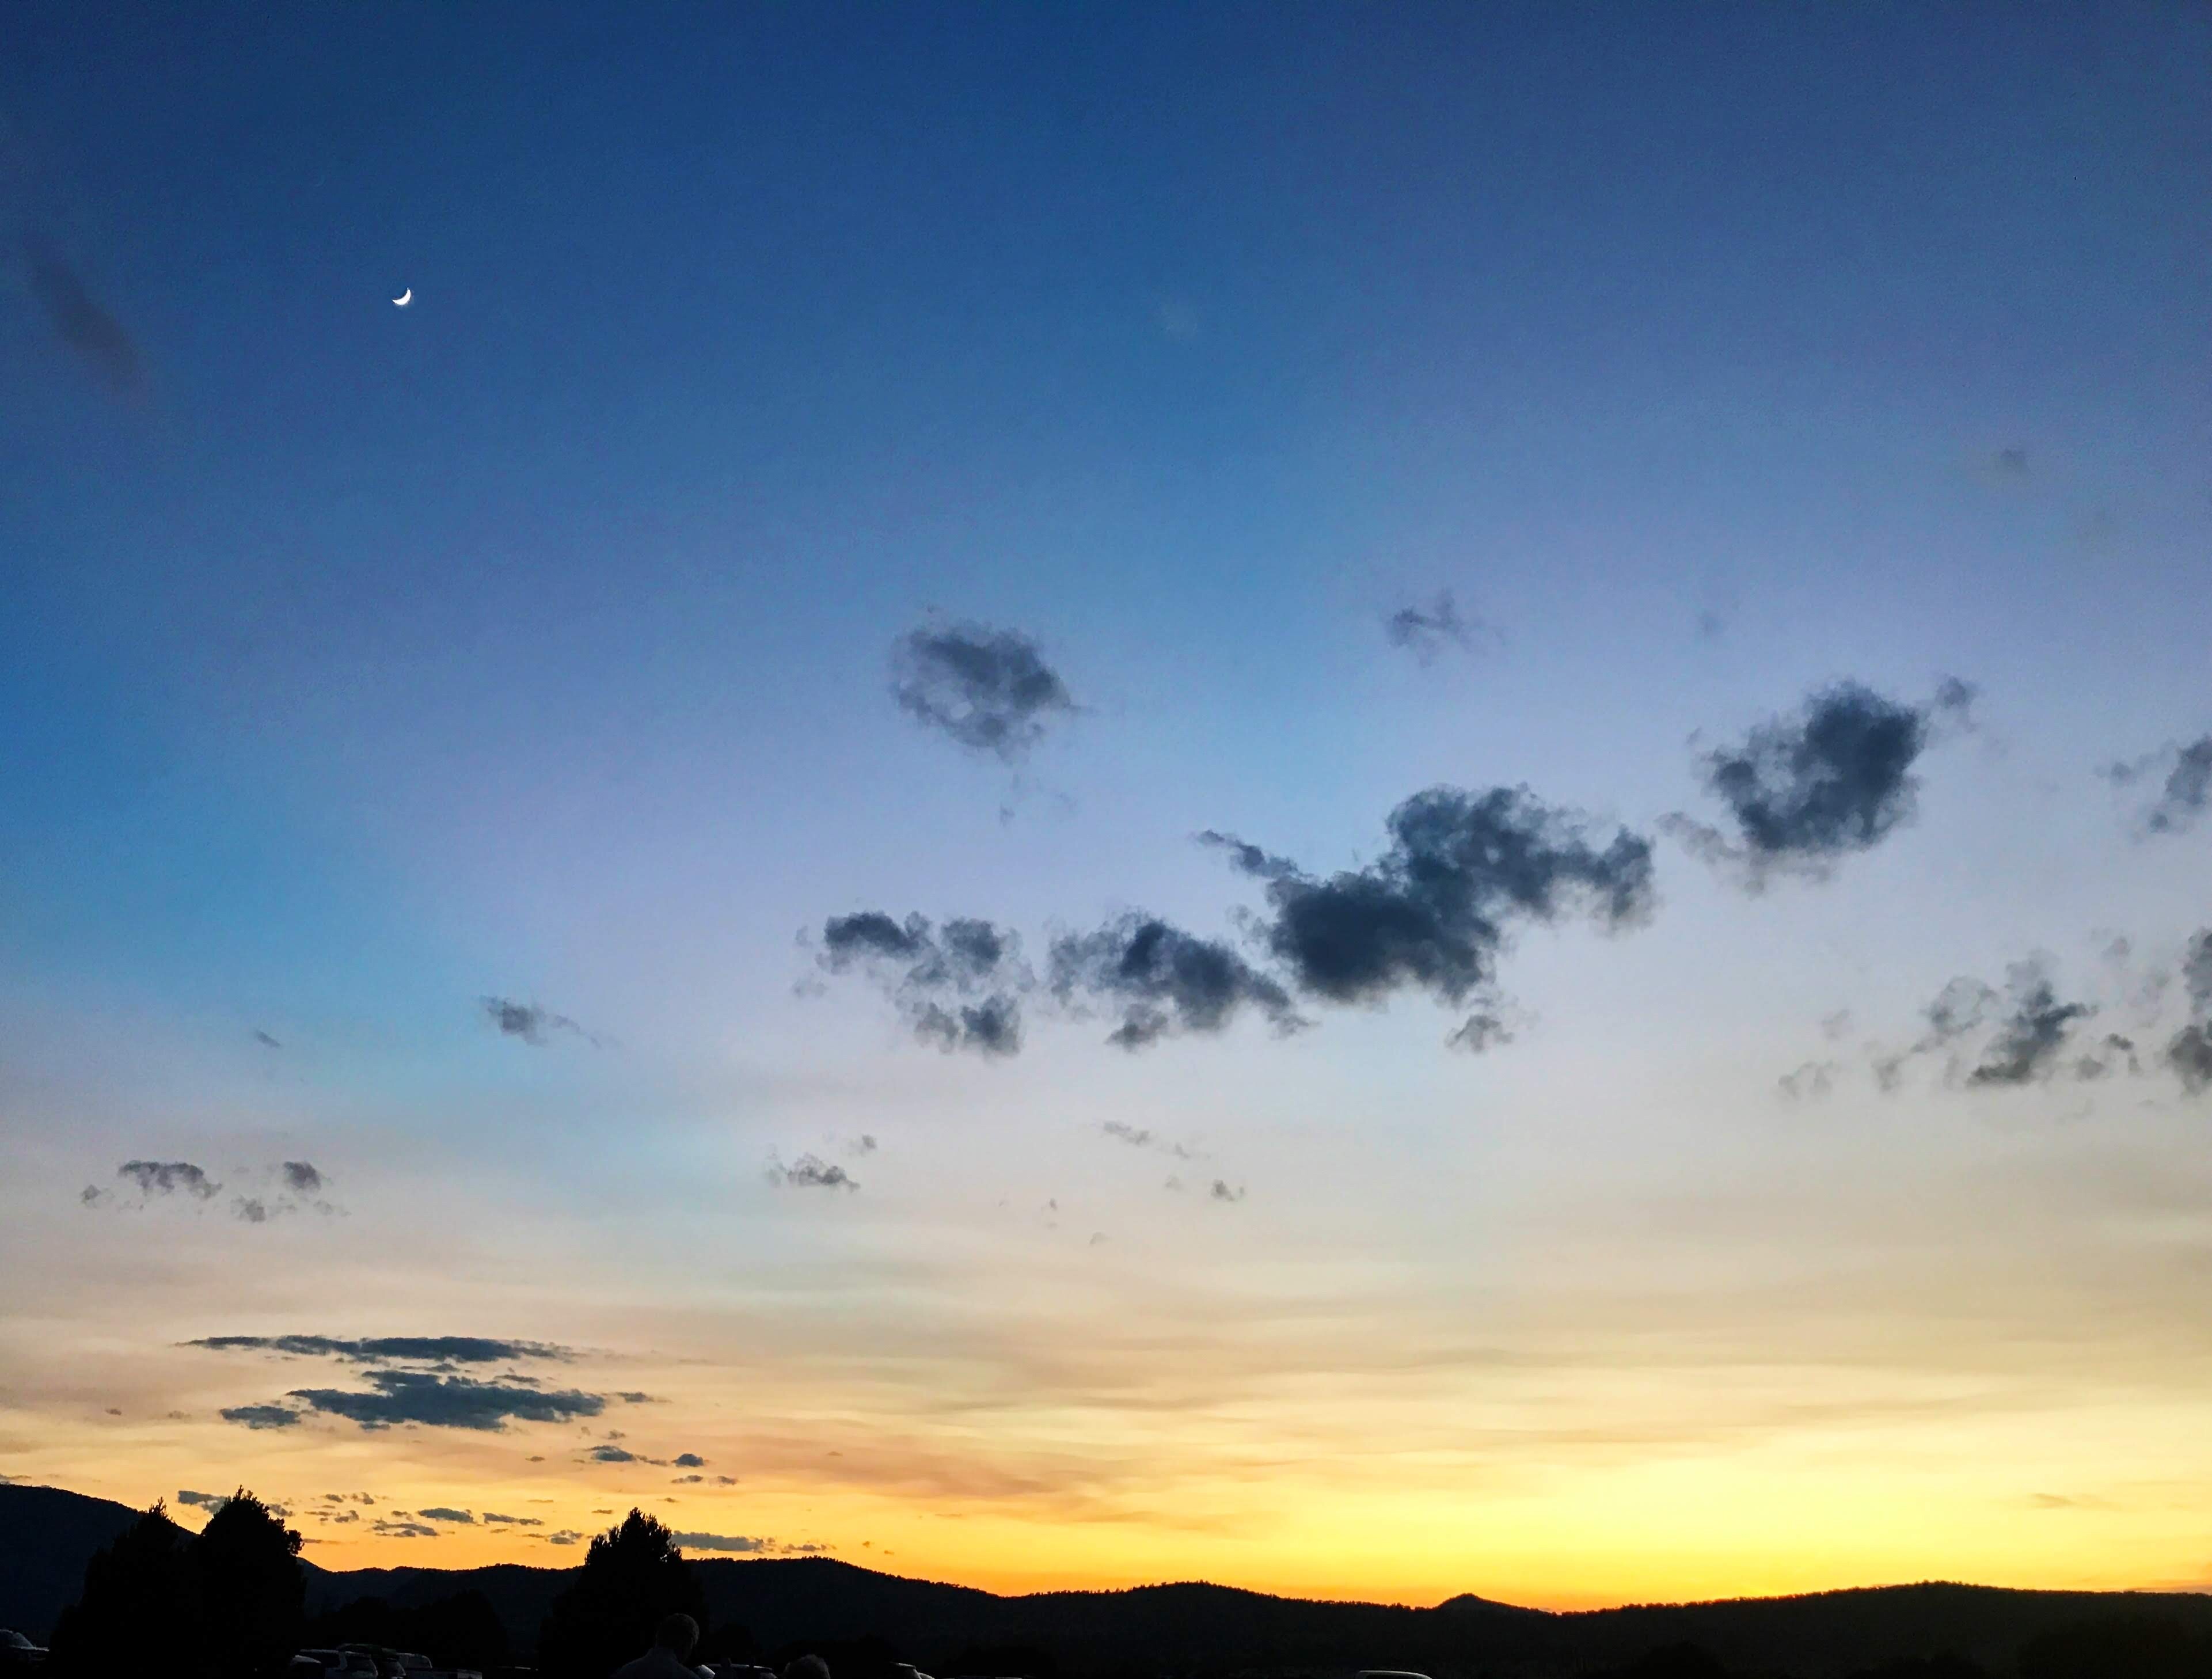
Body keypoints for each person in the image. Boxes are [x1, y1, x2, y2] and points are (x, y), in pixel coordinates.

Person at [612, 1612, 712, 1679]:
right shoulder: (686, 1676)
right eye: (692, 1645)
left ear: (658, 1636)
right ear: (688, 1643)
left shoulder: (624, 1672)